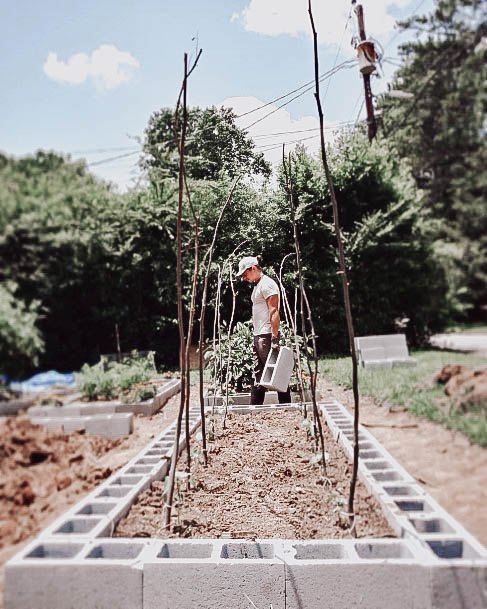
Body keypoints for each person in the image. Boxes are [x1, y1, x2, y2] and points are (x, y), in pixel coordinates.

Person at [236, 255, 291, 405]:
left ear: (253, 268)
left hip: (266, 335)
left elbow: (274, 311)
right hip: (259, 335)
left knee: (277, 373)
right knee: (258, 374)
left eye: (245, 274)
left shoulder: (267, 284)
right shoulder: (258, 285)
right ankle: (255, 410)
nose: (244, 277)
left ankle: (286, 408)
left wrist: (274, 337)